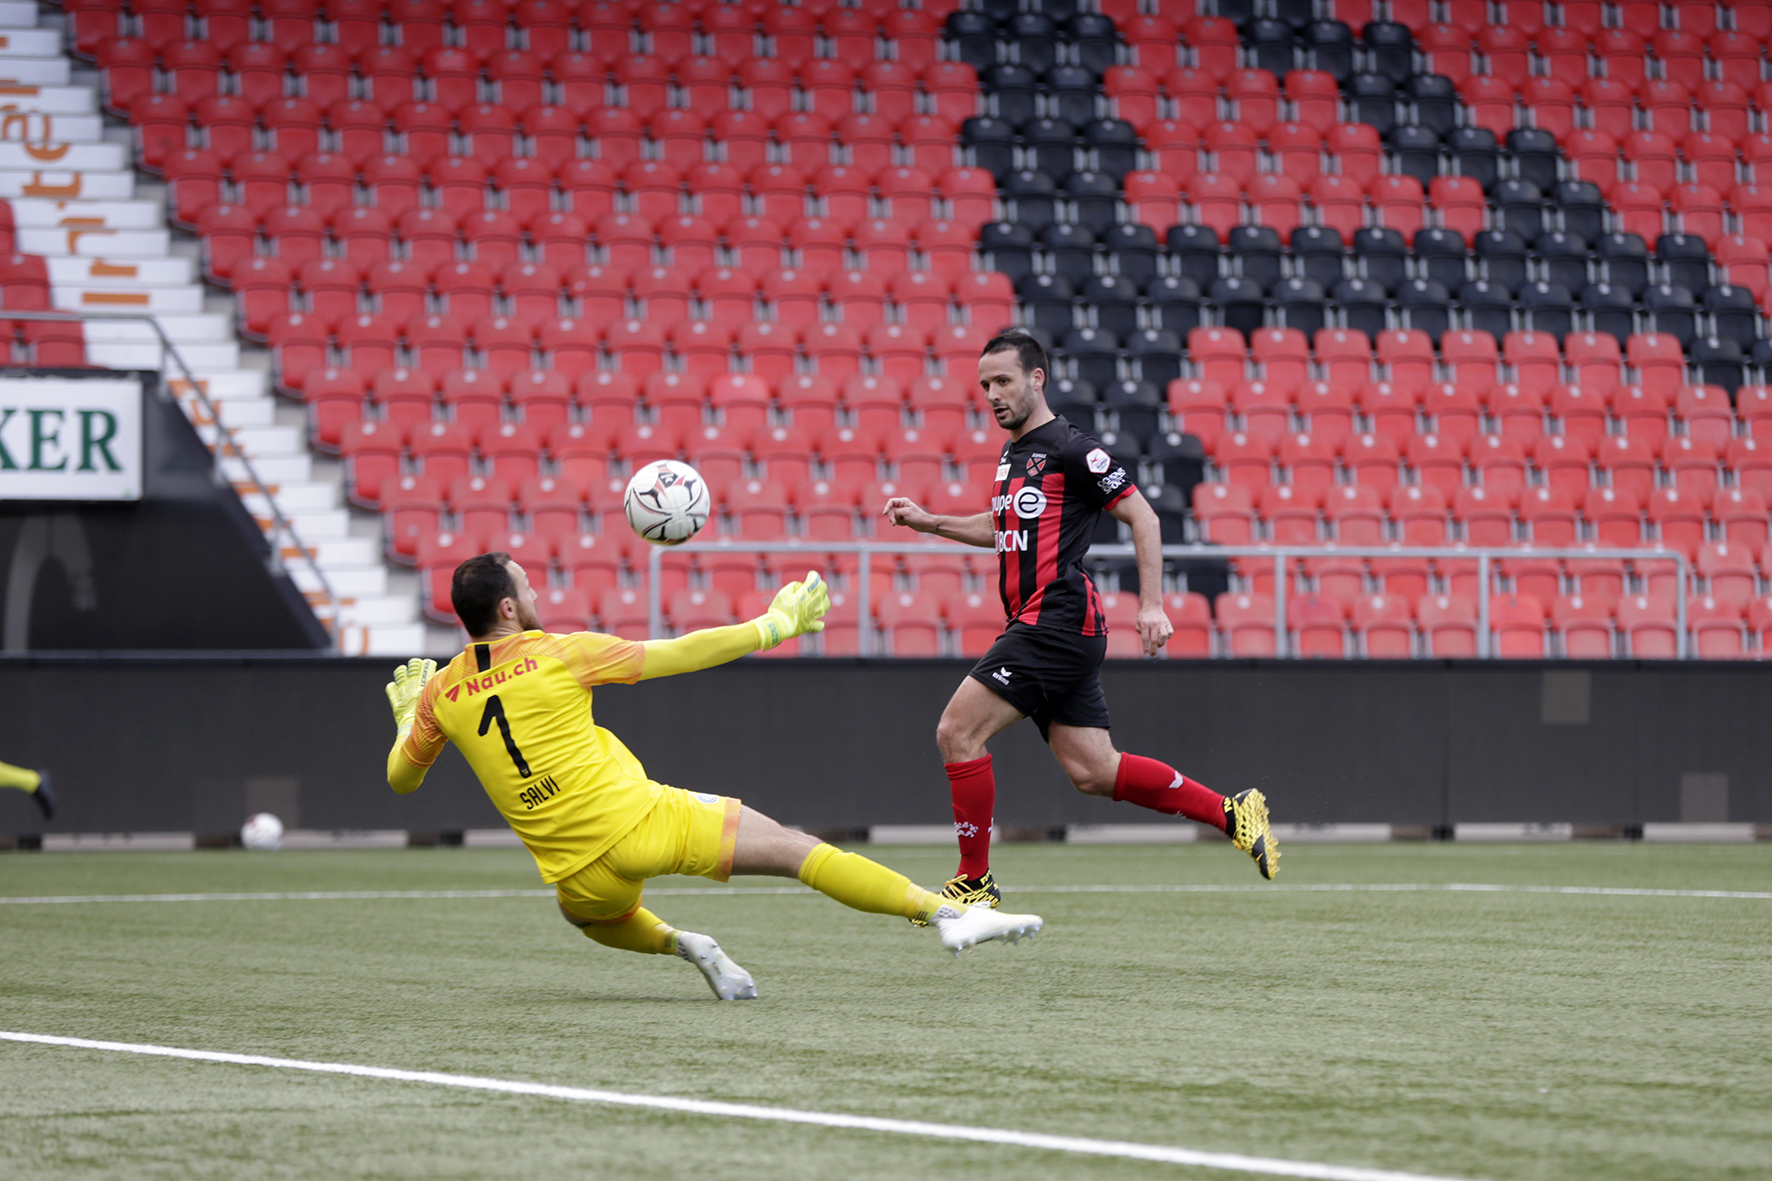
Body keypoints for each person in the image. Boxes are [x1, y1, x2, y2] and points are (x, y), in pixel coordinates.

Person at [383, 553, 1043, 1000]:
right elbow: (681, 653)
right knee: (793, 849)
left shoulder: (442, 691)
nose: (536, 594)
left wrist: (409, 716)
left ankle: (680, 942)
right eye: (526, 586)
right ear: (505, 607)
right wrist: (772, 625)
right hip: (643, 821)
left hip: (575, 873)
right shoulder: (559, 653)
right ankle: (946, 913)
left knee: (589, 918)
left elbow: (402, 780)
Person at [882, 329, 1279, 912]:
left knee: (957, 732)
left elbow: (1144, 517)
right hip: (1049, 624)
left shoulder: (1073, 448)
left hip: (1056, 620)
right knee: (1095, 771)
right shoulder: (1013, 453)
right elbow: (1003, 530)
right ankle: (1231, 811)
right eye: (985, 384)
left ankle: (974, 882)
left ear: (1037, 379)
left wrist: (1151, 604)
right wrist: (931, 521)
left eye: (1003, 382)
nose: (992, 394)